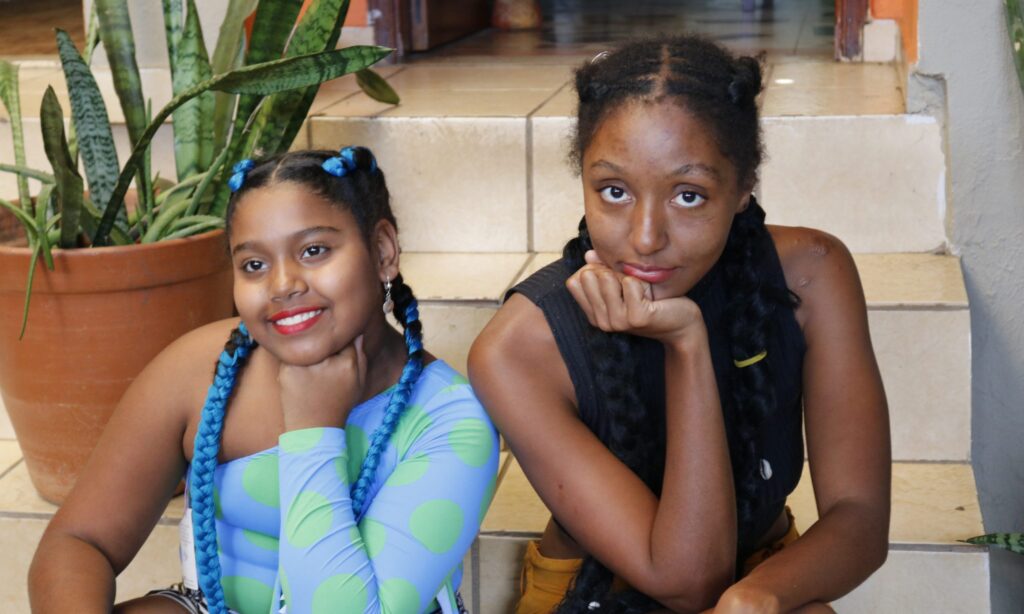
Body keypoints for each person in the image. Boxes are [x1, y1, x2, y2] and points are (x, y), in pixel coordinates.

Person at [468, 36, 890, 614]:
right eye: (613, 191)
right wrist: (686, 344)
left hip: (758, 579)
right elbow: (688, 579)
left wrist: (760, 594)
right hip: (591, 595)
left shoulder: (812, 276)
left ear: (743, 189)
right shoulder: (517, 348)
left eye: (688, 196)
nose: (645, 238)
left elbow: (861, 518)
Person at [29, 147, 500, 614]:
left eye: (314, 251)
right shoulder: (200, 369)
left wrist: (313, 432)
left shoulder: (451, 421)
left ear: (382, 251)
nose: (282, 285)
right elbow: (79, 541)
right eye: (254, 265)